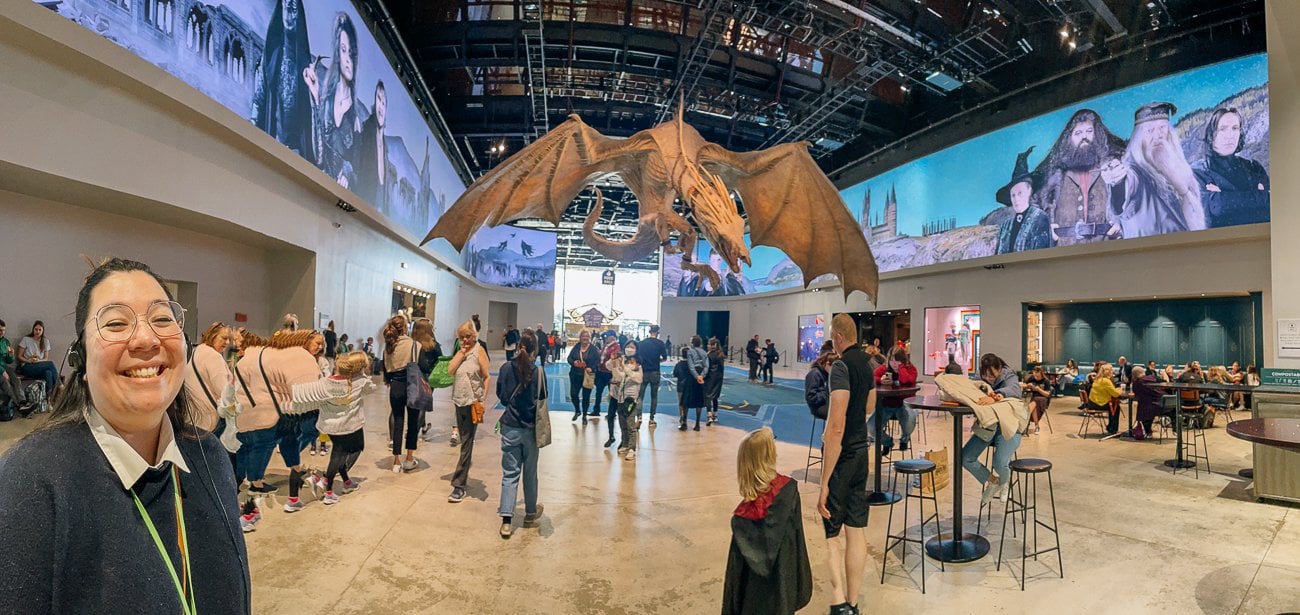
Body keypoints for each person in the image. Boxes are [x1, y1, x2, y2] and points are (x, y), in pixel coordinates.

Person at [0, 258, 251, 612]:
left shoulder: (207, 454)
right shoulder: (31, 482)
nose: (146, 339)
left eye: (163, 319)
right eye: (116, 323)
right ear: (80, 360)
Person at [817, 314, 875, 615]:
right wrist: (857, 425)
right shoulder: (866, 365)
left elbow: (835, 426)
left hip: (842, 458)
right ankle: (853, 602)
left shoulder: (840, 367)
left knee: (831, 532)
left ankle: (838, 602)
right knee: (856, 529)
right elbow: (870, 405)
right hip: (862, 453)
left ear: (838, 337)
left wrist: (824, 481)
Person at [721, 427, 813, 615]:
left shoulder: (741, 518)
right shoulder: (789, 492)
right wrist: (799, 584)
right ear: (770, 455)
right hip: (783, 590)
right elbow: (797, 542)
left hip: (751, 601)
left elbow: (735, 576)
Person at [1032, 108, 1127, 247]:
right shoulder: (1055, 175)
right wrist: (1044, 228)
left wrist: (1121, 224)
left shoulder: (1113, 168)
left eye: (1089, 131)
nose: (1084, 137)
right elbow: (1033, 205)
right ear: (1069, 139)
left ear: (1097, 135)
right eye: (1078, 133)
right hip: (1064, 252)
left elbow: (1134, 204)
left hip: (1107, 249)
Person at [288, 350, 373, 506]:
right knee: (341, 454)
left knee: (340, 453)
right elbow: (371, 388)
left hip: (330, 426)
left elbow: (302, 394)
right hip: (348, 426)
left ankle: (346, 482)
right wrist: (363, 376)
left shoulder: (326, 383)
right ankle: (328, 488)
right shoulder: (361, 382)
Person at [1110, 102, 1206, 238]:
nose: (1157, 135)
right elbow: (1122, 195)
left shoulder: (1180, 167)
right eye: (1149, 130)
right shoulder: (1134, 171)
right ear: (1139, 137)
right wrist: (1116, 182)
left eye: (1162, 128)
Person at [495, 332, 546, 539]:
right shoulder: (539, 372)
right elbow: (543, 398)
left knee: (509, 473)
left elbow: (501, 396)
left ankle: (507, 520)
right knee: (530, 473)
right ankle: (530, 513)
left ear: (518, 346)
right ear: (535, 349)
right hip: (531, 429)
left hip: (510, 427)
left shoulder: (506, 368)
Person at [250, 0, 314, 159]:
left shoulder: (307, 65)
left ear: (298, 13)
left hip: (297, 154)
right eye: (285, 4)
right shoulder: (271, 55)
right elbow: (259, 99)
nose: (289, 10)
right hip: (271, 142)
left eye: (293, 6)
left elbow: (310, 117)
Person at [305, 12, 361, 189]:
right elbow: (318, 152)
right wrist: (314, 95)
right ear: (337, 52)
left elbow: (359, 175)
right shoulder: (326, 99)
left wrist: (347, 170)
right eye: (343, 50)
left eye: (351, 53)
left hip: (340, 196)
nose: (347, 60)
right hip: (317, 184)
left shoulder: (355, 118)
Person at [960, 353, 1024, 505]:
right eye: (985, 375)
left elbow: (1014, 390)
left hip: (1008, 427)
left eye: (992, 375)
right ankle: (993, 482)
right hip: (987, 427)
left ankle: (1005, 482)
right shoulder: (979, 378)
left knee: (1000, 461)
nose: (988, 378)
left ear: (999, 369)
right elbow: (971, 387)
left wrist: (996, 395)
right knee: (965, 458)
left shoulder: (1009, 376)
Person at [1192, 107, 1270, 228]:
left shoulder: (1254, 168)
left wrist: (1224, 197)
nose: (1230, 135)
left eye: (1235, 128)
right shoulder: (1197, 173)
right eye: (1222, 129)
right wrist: (1259, 197)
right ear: (1211, 134)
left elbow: (1271, 208)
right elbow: (1214, 212)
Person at [184, 322, 240, 463]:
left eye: (229, 339)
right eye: (224, 338)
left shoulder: (196, 351)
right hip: (211, 420)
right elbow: (224, 390)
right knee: (220, 462)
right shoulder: (212, 356)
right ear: (212, 335)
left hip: (194, 418)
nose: (227, 343)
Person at [447, 320, 489, 504]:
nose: (465, 339)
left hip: (473, 402)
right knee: (464, 441)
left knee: (467, 442)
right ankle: (460, 480)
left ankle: (459, 484)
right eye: (462, 337)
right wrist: (461, 353)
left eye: (468, 336)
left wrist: (483, 399)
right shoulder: (461, 351)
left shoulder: (479, 350)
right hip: (459, 400)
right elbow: (450, 370)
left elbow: (487, 377)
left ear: (474, 335)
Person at [994, 146, 1052, 253]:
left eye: (1020, 193)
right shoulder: (1006, 225)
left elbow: (1041, 255)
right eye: (1013, 195)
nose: (1016, 199)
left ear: (1029, 191)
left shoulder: (1040, 217)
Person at [382, 315, 421, 473]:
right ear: (406, 328)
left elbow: (386, 368)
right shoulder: (414, 345)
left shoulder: (389, 346)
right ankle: (409, 458)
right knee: (412, 422)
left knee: (398, 421)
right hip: (412, 386)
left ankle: (396, 461)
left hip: (396, 386)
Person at [867, 346, 918, 453]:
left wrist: (901, 368)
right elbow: (872, 376)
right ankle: (887, 442)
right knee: (871, 428)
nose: (894, 363)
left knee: (909, 423)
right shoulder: (884, 368)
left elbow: (906, 380)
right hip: (886, 404)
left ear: (903, 360)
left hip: (905, 404)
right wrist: (880, 380)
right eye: (891, 360)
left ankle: (904, 439)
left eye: (897, 360)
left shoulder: (911, 369)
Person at [353, 81, 390, 210]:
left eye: (384, 103)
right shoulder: (365, 133)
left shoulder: (386, 149)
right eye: (378, 99)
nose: (381, 106)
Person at [607, 342, 643, 459]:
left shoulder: (637, 372)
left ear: (637, 363)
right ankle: (625, 444)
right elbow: (618, 375)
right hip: (620, 400)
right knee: (623, 424)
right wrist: (614, 364)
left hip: (631, 401)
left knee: (631, 425)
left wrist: (625, 368)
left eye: (633, 362)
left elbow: (636, 379)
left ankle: (632, 448)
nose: (630, 364)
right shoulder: (625, 370)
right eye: (629, 362)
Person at [17, 320, 60, 401]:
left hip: (39, 365)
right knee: (50, 364)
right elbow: (19, 356)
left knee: (48, 373)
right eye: (36, 329)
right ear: (33, 329)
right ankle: (60, 386)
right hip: (27, 366)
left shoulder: (45, 341)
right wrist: (29, 361)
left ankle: (48, 399)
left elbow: (45, 358)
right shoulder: (26, 339)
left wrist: (37, 361)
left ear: (43, 331)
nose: (37, 331)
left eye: (40, 330)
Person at [635, 325, 669, 427]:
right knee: (654, 397)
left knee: (640, 396)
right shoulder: (660, 343)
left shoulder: (641, 343)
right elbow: (665, 358)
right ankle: (651, 419)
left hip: (644, 371)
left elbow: (638, 357)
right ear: (657, 332)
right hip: (655, 371)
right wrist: (658, 361)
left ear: (649, 332)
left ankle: (639, 417)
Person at [0, 319, 36, 416]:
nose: (2, 332)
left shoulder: (5, 342)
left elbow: (9, 361)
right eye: (0, 330)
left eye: (3, 330)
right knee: (5, 382)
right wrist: (2, 371)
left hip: (4, 366)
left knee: (16, 379)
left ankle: (23, 402)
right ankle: (19, 406)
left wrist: (11, 355)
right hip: (1, 369)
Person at [567, 330, 600, 425]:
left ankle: (584, 415)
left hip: (587, 376)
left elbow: (597, 362)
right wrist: (574, 362)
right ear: (580, 337)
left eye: (586, 336)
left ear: (589, 338)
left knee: (586, 397)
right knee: (573, 395)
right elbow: (569, 358)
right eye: (583, 336)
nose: (584, 338)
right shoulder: (576, 347)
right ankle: (577, 410)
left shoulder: (593, 349)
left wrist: (591, 368)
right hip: (575, 375)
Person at [1087, 363, 1124, 436]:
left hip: (1091, 403)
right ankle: (1113, 430)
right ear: (1108, 372)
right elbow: (1115, 394)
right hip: (1099, 404)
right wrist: (1121, 389)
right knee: (1116, 407)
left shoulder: (1097, 379)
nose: (1113, 372)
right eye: (1111, 370)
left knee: (1113, 406)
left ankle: (1110, 427)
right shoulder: (1106, 381)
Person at [595, 331, 621, 432]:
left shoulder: (616, 347)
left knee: (612, 394)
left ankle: (612, 412)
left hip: (610, 373)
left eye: (607, 336)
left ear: (612, 337)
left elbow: (614, 359)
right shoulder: (606, 345)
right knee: (599, 392)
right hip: (601, 372)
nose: (606, 338)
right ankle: (596, 410)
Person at [804, 342, 837, 420]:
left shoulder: (826, 373)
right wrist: (826, 393)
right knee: (837, 413)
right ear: (827, 363)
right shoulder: (814, 374)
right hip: (817, 407)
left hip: (825, 402)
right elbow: (811, 398)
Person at [1131, 365, 1165, 438]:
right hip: (1158, 405)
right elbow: (1163, 383)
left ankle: (1148, 432)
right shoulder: (1151, 378)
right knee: (1172, 408)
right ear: (1143, 372)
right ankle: (1175, 428)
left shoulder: (1135, 384)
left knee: (1145, 410)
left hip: (1143, 408)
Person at [1022, 365, 1052, 434]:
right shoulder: (1032, 378)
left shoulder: (1046, 381)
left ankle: (1027, 423)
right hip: (1034, 397)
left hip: (1044, 399)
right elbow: (1025, 384)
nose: (1036, 377)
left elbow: (1047, 394)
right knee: (1033, 403)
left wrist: (1038, 389)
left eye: (1037, 376)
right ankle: (1036, 426)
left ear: (1041, 373)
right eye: (1034, 375)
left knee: (1034, 402)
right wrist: (1027, 385)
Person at [704, 337, 726, 426]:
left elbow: (706, 368)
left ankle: (709, 415)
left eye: (709, 344)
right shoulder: (721, 355)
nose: (707, 345)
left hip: (710, 378)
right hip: (719, 379)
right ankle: (715, 415)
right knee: (715, 397)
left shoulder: (709, 355)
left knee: (708, 396)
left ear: (713, 345)